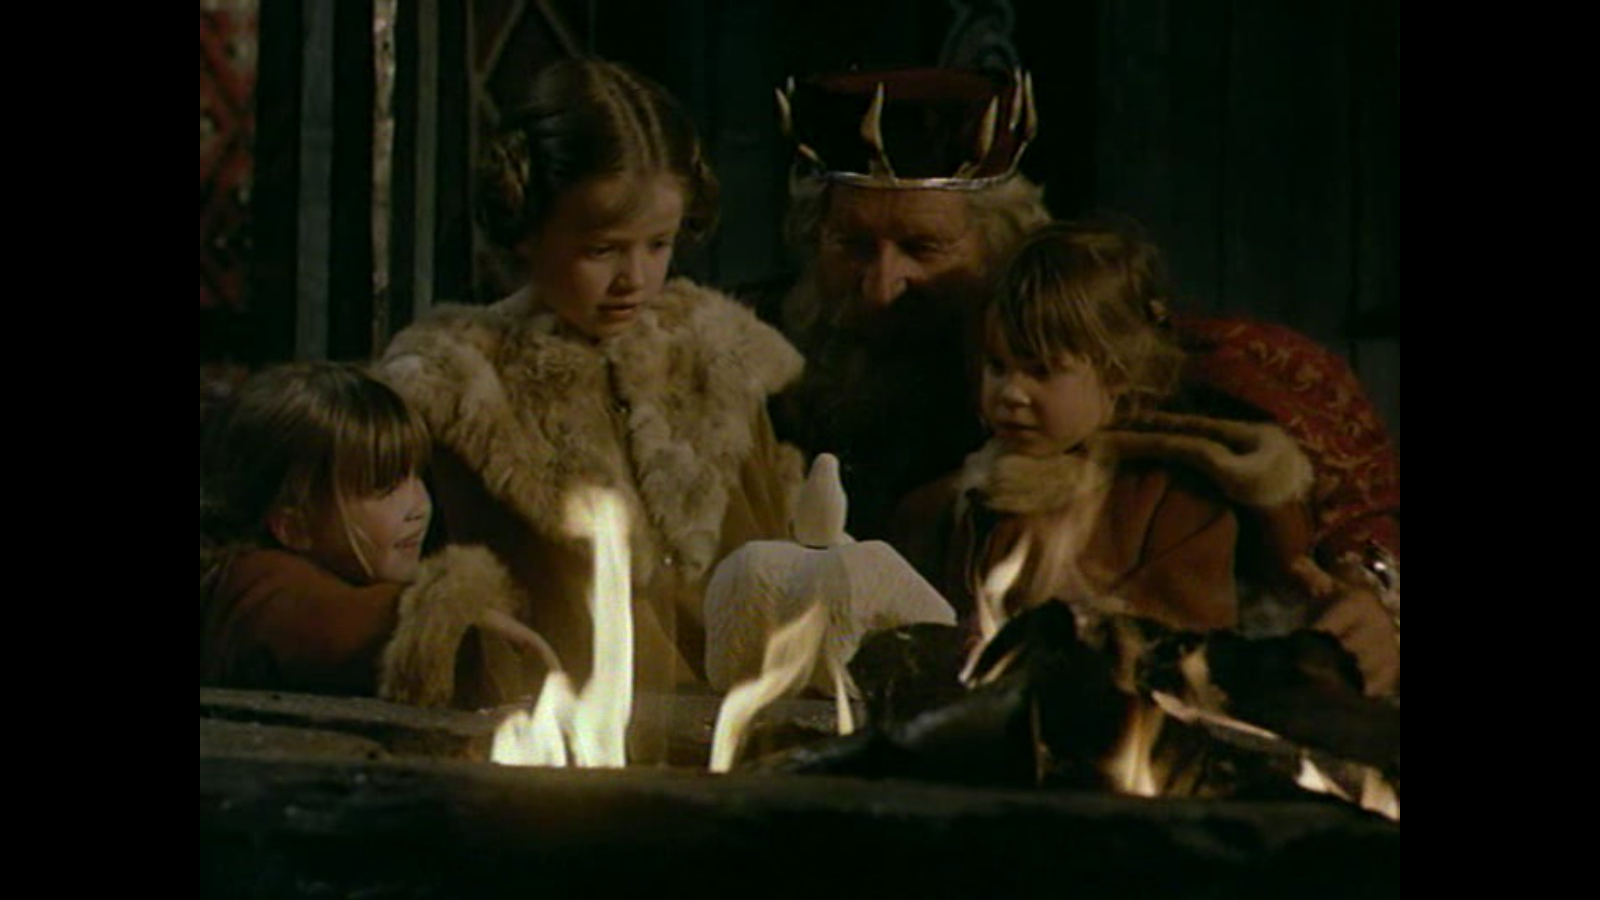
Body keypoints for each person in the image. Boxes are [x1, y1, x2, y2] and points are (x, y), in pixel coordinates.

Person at [376, 58, 804, 718]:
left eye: (658, 244)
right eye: (602, 249)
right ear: (526, 224)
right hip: (557, 730)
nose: (634, 277)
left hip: (738, 724)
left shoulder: (716, 362)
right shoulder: (459, 389)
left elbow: (779, 560)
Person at [890, 221, 1399, 696]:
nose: (1011, 394)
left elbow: (1188, 643)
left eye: (1041, 371)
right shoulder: (958, 499)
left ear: (1116, 377)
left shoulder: (1175, 502)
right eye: (998, 367)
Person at [759, 66, 1053, 540]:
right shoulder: (742, 376)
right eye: (853, 246)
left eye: (922, 248)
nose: (881, 288)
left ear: (1000, 249)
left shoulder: (1080, 403)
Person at [199, 361, 549, 708]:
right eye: (384, 488)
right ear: (294, 527)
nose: (418, 506)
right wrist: (442, 617)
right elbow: (318, 617)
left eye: (416, 475)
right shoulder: (251, 587)